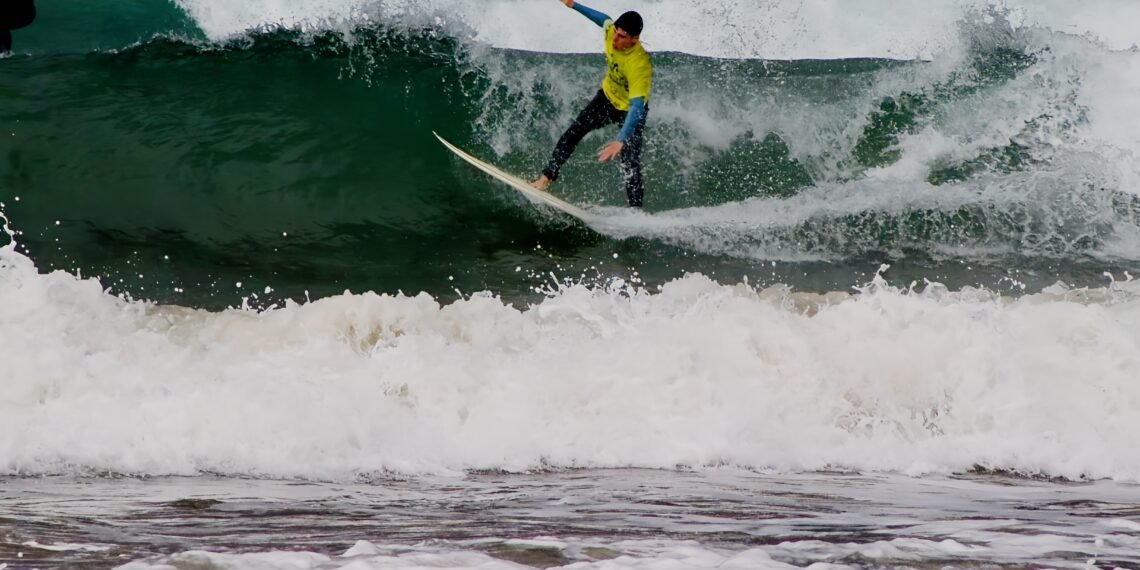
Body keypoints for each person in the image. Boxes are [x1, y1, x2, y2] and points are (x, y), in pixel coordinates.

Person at [532, 0, 652, 207]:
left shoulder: (639, 65)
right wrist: (573, 4)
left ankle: (635, 212)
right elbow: (603, 19)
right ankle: (546, 179)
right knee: (573, 132)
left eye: (622, 36)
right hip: (606, 98)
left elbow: (637, 107)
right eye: (616, 31)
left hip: (628, 110)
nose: (615, 38)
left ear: (634, 39)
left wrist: (621, 139)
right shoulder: (611, 32)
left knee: (629, 163)